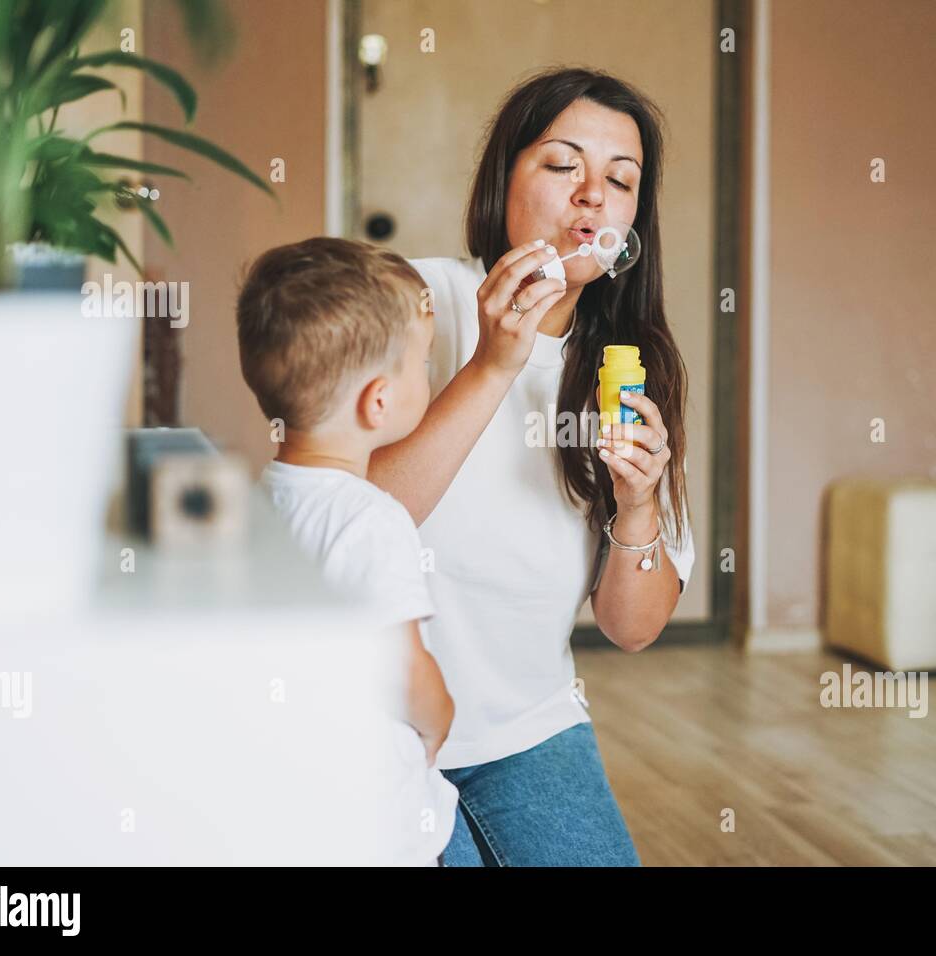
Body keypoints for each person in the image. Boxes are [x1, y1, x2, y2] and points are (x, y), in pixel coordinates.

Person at [370, 68, 695, 866]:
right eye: (562, 166)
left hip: (529, 730)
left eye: (621, 181)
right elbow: (353, 512)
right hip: (378, 723)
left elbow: (633, 627)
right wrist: (491, 367)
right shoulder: (416, 299)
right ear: (502, 180)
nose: (594, 196)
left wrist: (639, 503)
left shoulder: (629, 369)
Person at [237, 237, 457, 866]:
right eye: (423, 364)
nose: (429, 377)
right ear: (379, 401)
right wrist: (439, 715)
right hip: (383, 827)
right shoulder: (371, 521)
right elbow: (403, 666)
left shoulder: (263, 500)